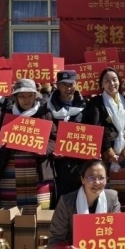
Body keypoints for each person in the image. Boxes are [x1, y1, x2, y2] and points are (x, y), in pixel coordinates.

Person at [83, 68, 125, 209]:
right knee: (105, 195)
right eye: (107, 80)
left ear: (119, 82)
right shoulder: (96, 102)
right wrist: (108, 151)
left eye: (114, 80)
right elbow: (96, 128)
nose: (111, 83)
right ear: (101, 84)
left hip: (124, 155)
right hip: (106, 156)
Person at [0, 78, 52, 214]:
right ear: (16, 97)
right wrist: (1, 144)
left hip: (37, 167)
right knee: (10, 210)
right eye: (22, 96)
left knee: (40, 211)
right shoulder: (7, 114)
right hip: (11, 167)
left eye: (30, 96)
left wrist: (46, 149)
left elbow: (54, 139)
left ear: (35, 96)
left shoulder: (44, 113)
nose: (26, 100)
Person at [47, 70, 86, 202]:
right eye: (64, 84)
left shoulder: (85, 106)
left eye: (71, 84)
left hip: (80, 162)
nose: (68, 88)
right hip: (58, 162)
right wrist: (53, 148)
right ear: (57, 85)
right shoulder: (47, 108)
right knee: (61, 199)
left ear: (76, 84)